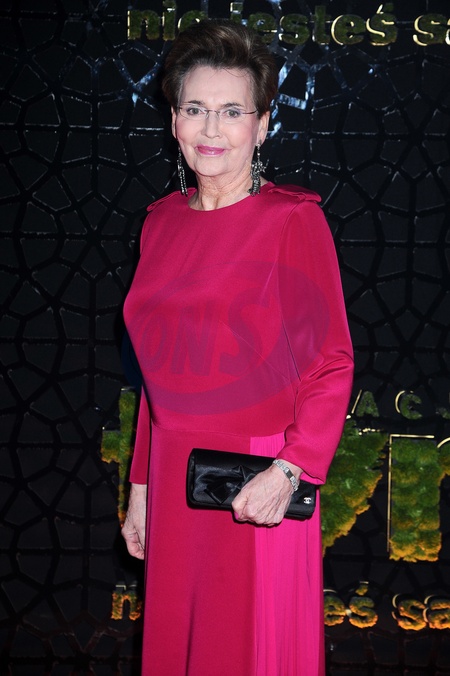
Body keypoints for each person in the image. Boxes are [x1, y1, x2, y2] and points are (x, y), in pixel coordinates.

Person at [122, 18, 353, 676]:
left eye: (232, 111)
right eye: (195, 108)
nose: (212, 129)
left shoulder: (292, 220)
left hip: (256, 481)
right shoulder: (160, 222)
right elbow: (159, 371)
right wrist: (140, 485)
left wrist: (291, 471)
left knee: (246, 652)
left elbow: (331, 363)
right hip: (173, 475)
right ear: (174, 121)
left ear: (263, 124)